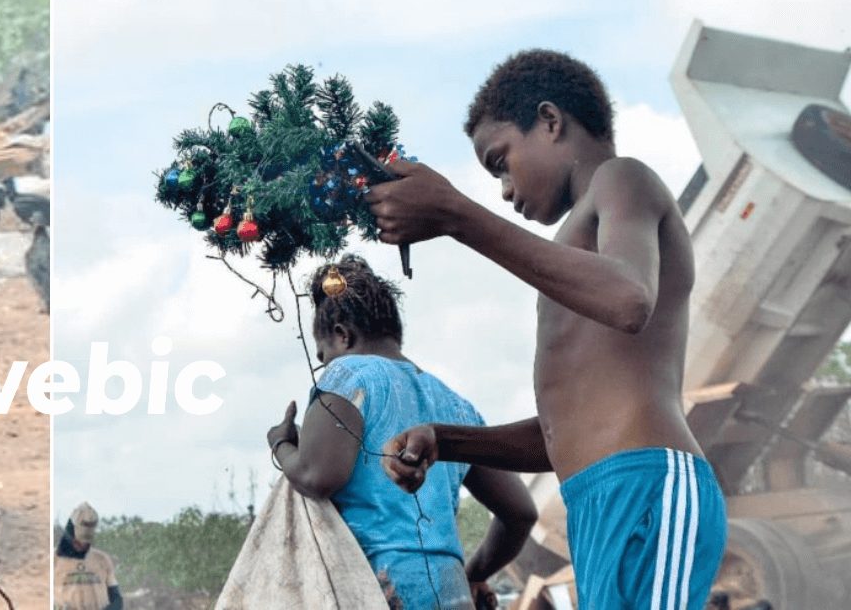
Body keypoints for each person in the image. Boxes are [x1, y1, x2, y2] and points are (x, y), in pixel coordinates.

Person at [366, 49, 727, 608]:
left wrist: (456, 215)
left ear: (551, 122)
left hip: (648, 485)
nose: (505, 190)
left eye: (500, 161)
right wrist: (447, 439)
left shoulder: (622, 179)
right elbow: (562, 432)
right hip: (595, 499)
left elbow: (629, 299)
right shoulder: (577, 247)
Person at [266, 255, 535, 609]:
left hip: (375, 587)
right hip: (450, 591)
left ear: (342, 336)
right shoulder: (456, 406)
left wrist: (282, 444)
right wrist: (474, 574)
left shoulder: (348, 376)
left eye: (323, 355)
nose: (324, 365)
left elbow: (317, 476)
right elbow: (520, 513)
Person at [54, 501, 122, 610]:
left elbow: (117, 599)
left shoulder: (102, 559)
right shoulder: (54, 560)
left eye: (86, 542)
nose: (83, 545)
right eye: (79, 541)